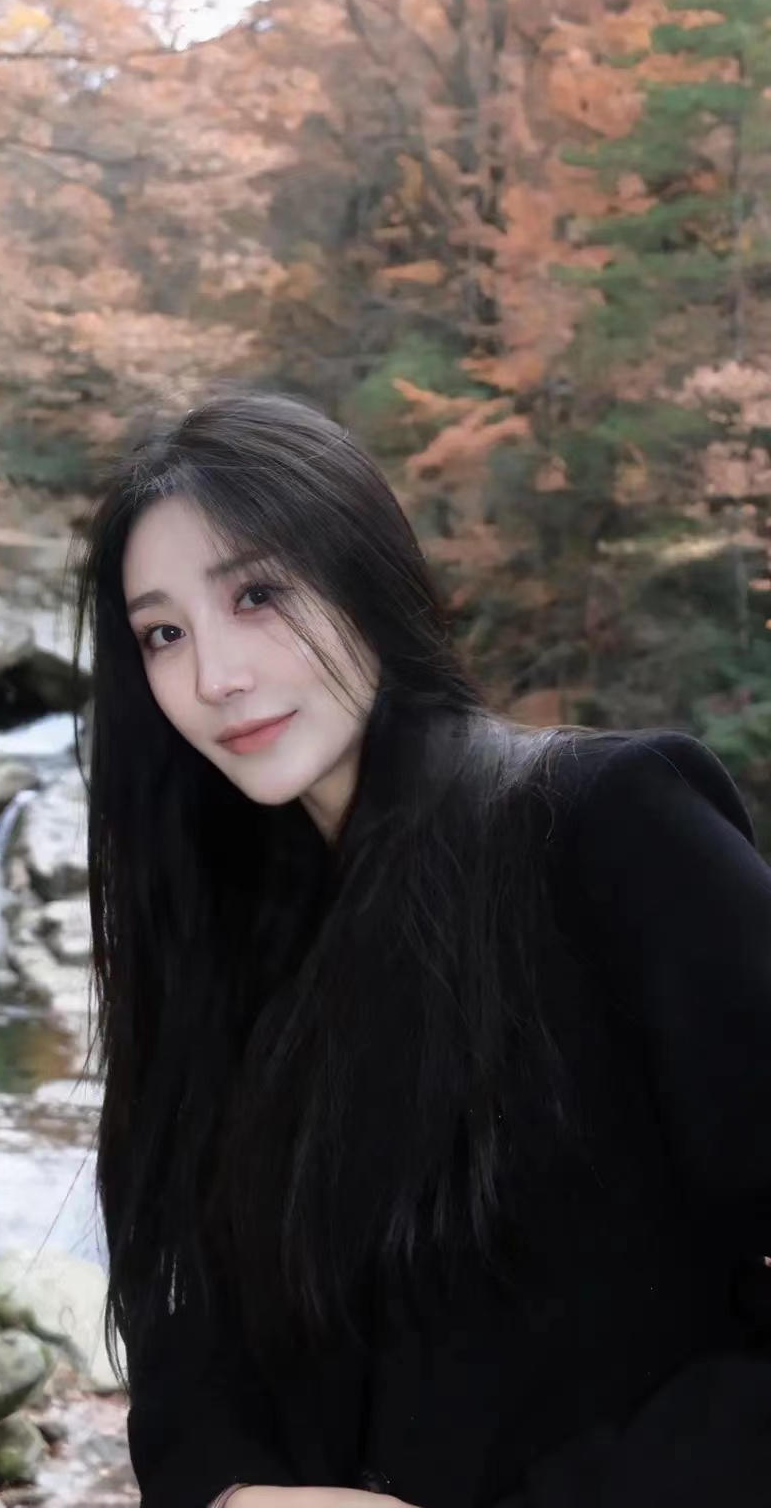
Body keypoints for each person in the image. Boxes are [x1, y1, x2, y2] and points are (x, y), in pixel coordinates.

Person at [66, 387, 771, 1508]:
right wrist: (231, 1492)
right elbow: (184, 1326)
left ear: (363, 574)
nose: (214, 678)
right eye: (164, 633)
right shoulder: (213, 933)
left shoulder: (603, 828)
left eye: (257, 595)